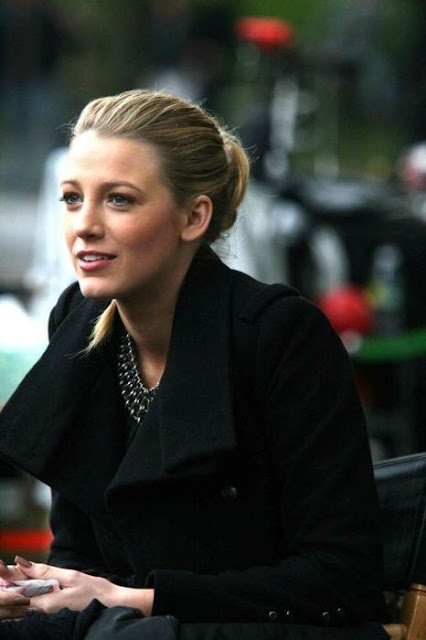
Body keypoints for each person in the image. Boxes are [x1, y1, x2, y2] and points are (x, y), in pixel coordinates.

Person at [0, 89, 388, 639]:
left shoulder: (280, 335)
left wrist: (137, 600)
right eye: (71, 198)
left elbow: (342, 581)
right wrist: (41, 590)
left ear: (193, 216)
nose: (83, 225)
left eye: (119, 200)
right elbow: (79, 555)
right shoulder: (77, 324)